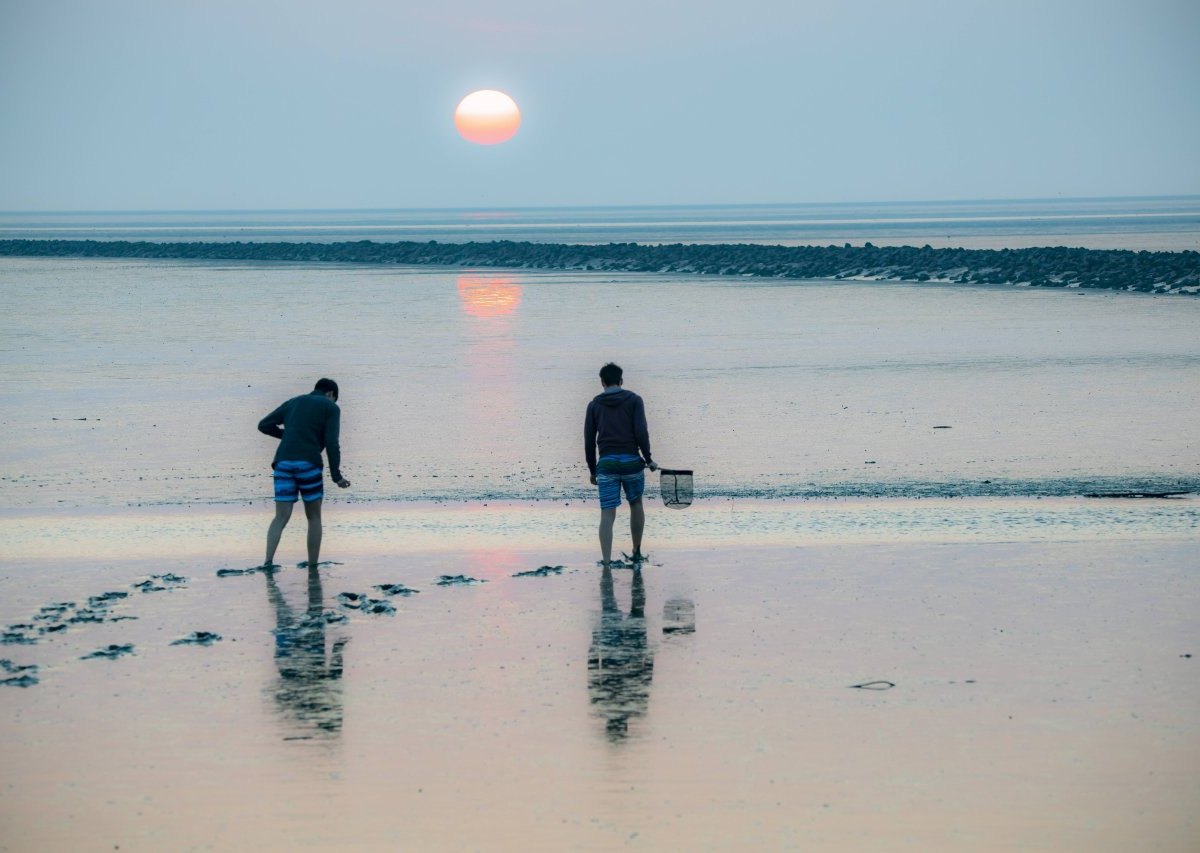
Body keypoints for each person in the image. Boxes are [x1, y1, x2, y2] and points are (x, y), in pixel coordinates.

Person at [258, 378, 350, 568]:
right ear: (331, 394)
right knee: (314, 517)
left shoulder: (293, 402)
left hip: (283, 463)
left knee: (280, 516)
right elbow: (332, 443)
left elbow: (264, 425)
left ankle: (268, 561)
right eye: (334, 399)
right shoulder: (330, 408)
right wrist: (336, 476)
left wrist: (290, 435)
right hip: (309, 463)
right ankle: (313, 565)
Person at [584, 363, 657, 566]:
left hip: (606, 465)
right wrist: (648, 458)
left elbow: (589, 441)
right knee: (636, 504)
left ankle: (606, 561)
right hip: (632, 463)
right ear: (621, 380)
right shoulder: (634, 400)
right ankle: (636, 552)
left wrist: (592, 470)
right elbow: (641, 432)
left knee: (607, 512)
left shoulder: (594, 405)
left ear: (602, 382)